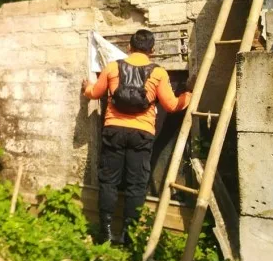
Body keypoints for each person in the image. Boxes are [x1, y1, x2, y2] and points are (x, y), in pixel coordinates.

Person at [81, 29, 193, 245]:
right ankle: (128, 235)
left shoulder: (113, 67)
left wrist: (87, 88)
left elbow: (94, 93)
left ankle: (104, 232)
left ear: (129, 47)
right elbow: (171, 106)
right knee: (136, 184)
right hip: (142, 133)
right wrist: (188, 94)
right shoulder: (159, 73)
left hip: (113, 130)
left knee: (109, 181)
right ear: (152, 50)